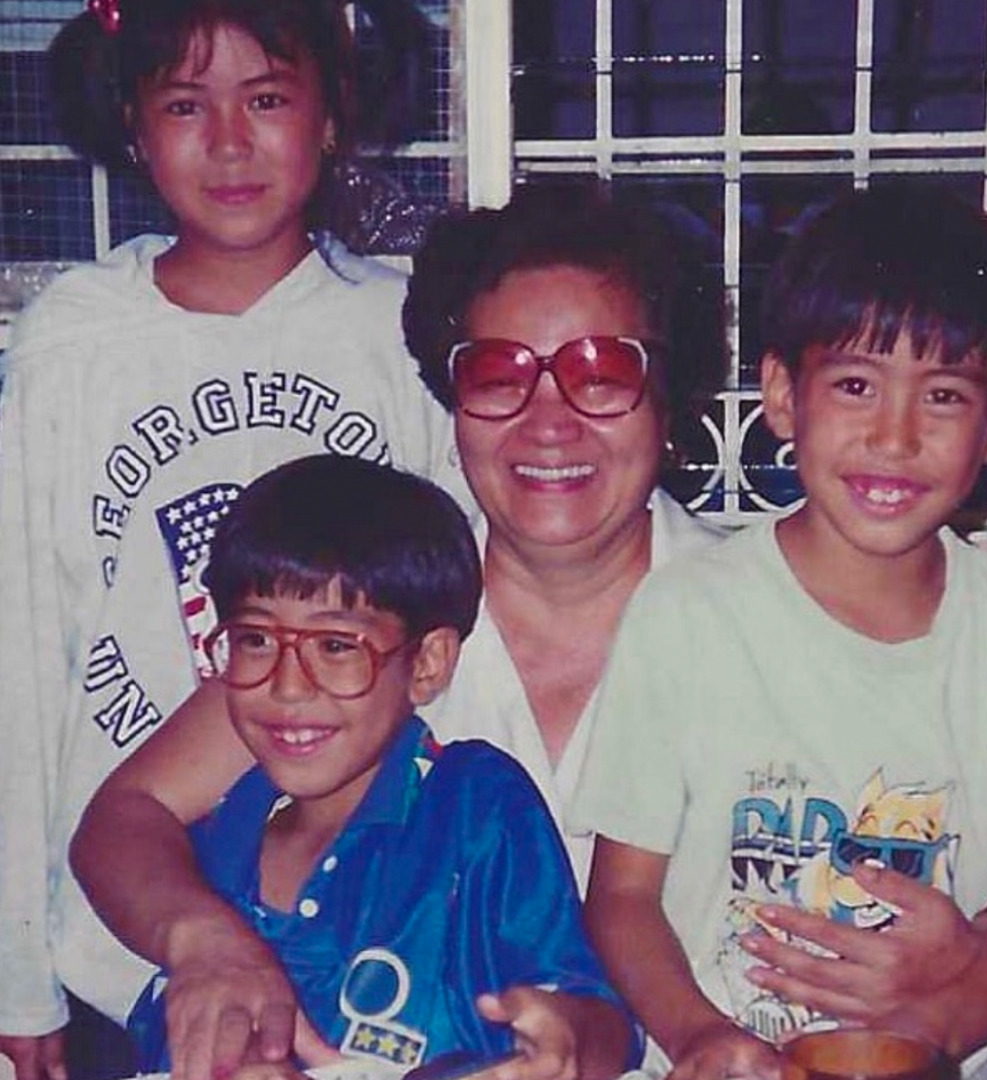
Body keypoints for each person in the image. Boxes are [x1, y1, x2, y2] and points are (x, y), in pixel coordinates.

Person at [69, 185, 729, 1079]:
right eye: (498, 374)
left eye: (601, 372)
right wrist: (207, 943)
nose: (548, 419)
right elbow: (126, 816)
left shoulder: (754, 617)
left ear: (669, 397)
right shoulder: (376, 597)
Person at [0, 2, 465, 1078]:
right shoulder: (77, 341)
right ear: (132, 124)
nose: (227, 142)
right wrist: (18, 967)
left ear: (331, 114)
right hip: (120, 942)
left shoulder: (397, 331)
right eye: (183, 105)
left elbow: (448, 635)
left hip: (368, 930)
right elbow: (19, 647)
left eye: (265, 99)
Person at [570, 183, 987, 1080]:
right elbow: (621, 898)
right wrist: (696, 1035)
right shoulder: (687, 613)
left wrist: (932, 1030)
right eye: (855, 385)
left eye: (944, 396)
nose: (895, 437)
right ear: (780, 394)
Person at [123, 453, 639, 1080]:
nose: (288, 686)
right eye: (256, 640)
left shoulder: (472, 808)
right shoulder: (210, 835)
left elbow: (599, 1020)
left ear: (427, 663)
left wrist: (570, 1042)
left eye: (336, 646)